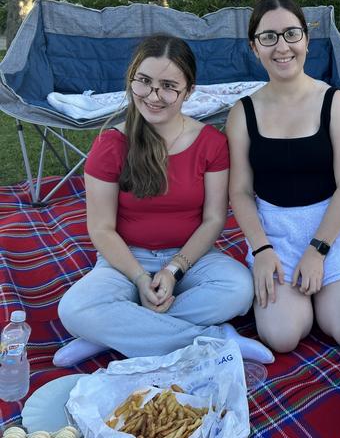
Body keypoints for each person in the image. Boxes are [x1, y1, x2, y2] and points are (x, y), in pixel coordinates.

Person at [54, 35, 274, 367]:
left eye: (169, 86)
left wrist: (173, 270)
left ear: (189, 91)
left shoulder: (211, 143)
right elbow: (100, 228)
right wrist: (141, 279)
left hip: (190, 259)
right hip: (125, 259)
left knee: (239, 288)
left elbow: (214, 219)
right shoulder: (111, 144)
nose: (154, 96)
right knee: (73, 308)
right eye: (144, 82)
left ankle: (111, 333)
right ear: (131, 81)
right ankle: (216, 340)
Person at [226, 0, 340, 353]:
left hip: (331, 228)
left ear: (306, 40)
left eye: (291, 34)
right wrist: (261, 250)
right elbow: (241, 192)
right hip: (276, 232)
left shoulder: (335, 103)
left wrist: (317, 251)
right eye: (269, 37)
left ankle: (332, 287)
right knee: (282, 336)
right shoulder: (242, 113)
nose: (282, 47)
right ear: (254, 47)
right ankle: (302, 298)